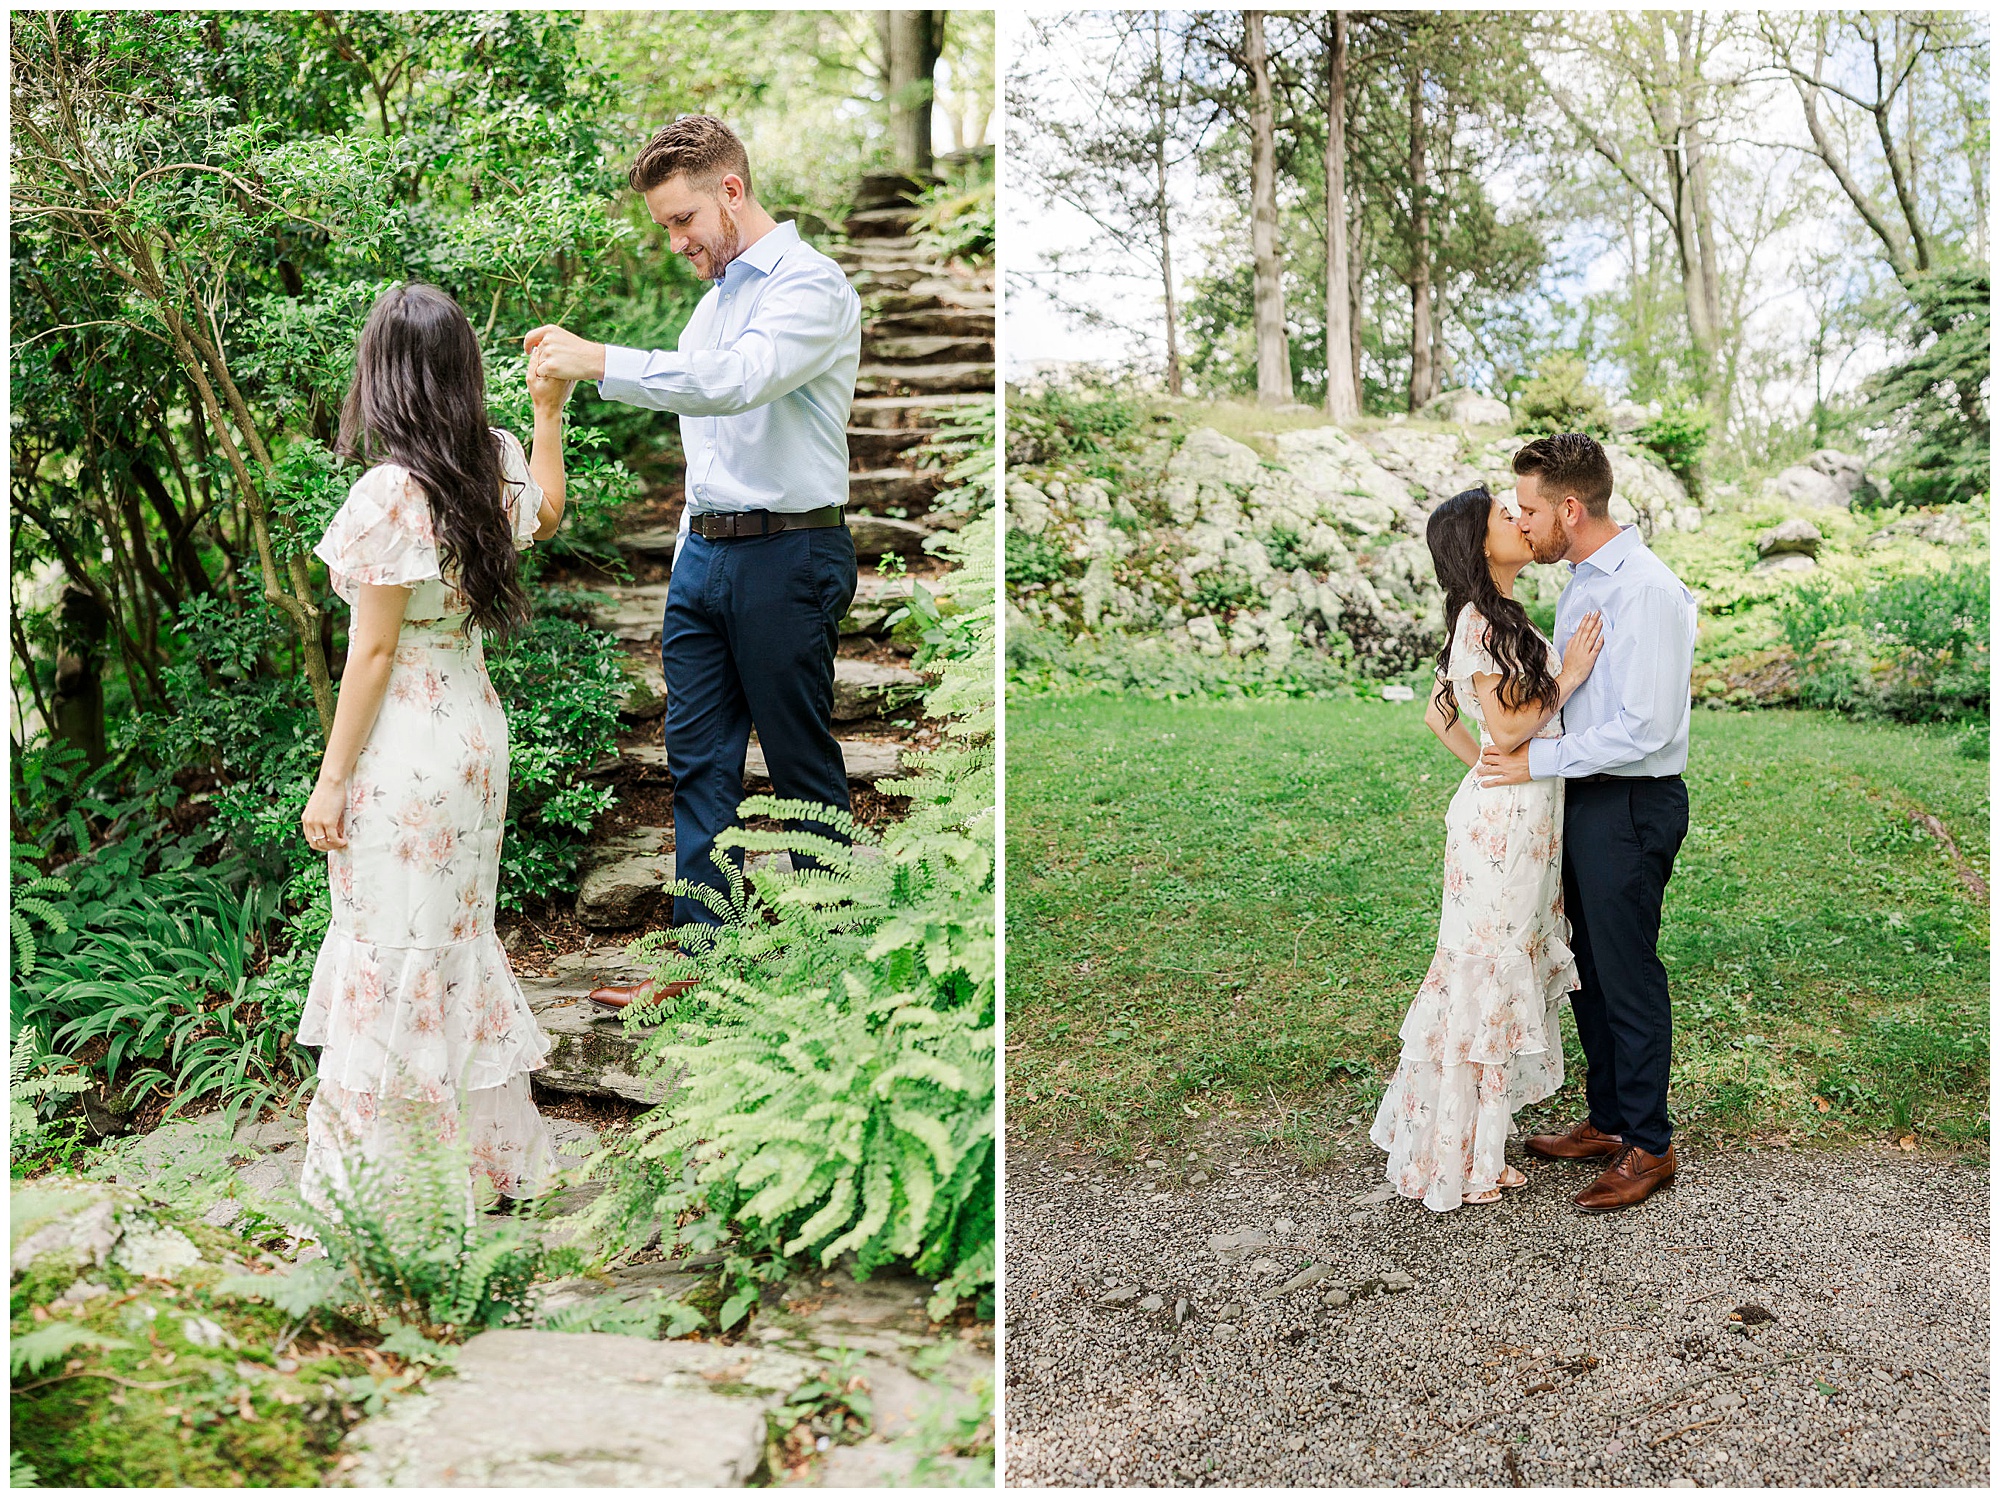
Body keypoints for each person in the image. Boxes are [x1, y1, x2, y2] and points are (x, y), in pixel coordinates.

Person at [521, 115, 862, 1013]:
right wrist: (685, 554)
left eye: (682, 221)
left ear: (731, 192)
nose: (676, 242)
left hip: (791, 554)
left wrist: (598, 361)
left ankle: (840, 968)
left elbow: (734, 382)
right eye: (666, 227)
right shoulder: (711, 303)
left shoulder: (811, 286)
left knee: (799, 766)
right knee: (698, 763)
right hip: (703, 563)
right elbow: (706, 439)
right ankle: (706, 964)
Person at [297, 282, 572, 1213]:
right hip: (474, 733)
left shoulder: (388, 492)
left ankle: (393, 1186)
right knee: (451, 942)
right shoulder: (491, 460)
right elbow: (551, 514)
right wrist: (546, 416)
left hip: (405, 748)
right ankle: (478, 1166)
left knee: (391, 945)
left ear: (386, 375)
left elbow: (371, 651)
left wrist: (331, 782)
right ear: (459, 369)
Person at [1477, 432, 1698, 1212]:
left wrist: (1534, 762)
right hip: (1583, 797)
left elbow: (1646, 725)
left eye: (1531, 509)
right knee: (1590, 970)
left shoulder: (1645, 590)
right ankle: (1608, 1121)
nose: (1524, 523)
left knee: (1628, 971)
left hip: (1632, 803)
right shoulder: (1580, 584)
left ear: (1571, 508)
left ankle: (1648, 1143)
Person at [1371, 483, 1604, 1211]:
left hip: (1514, 815)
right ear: (1478, 545)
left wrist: (1485, 763)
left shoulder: (1493, 617)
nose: (1519, 519)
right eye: (1506, 516)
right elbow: (1506, 729)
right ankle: (1466, 1161)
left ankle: (1471, 1147)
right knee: (1485, 978)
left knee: (1491, 973)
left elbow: (1442, 718)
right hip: (1502, 831)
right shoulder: (1480, 620)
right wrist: (1564, 679)